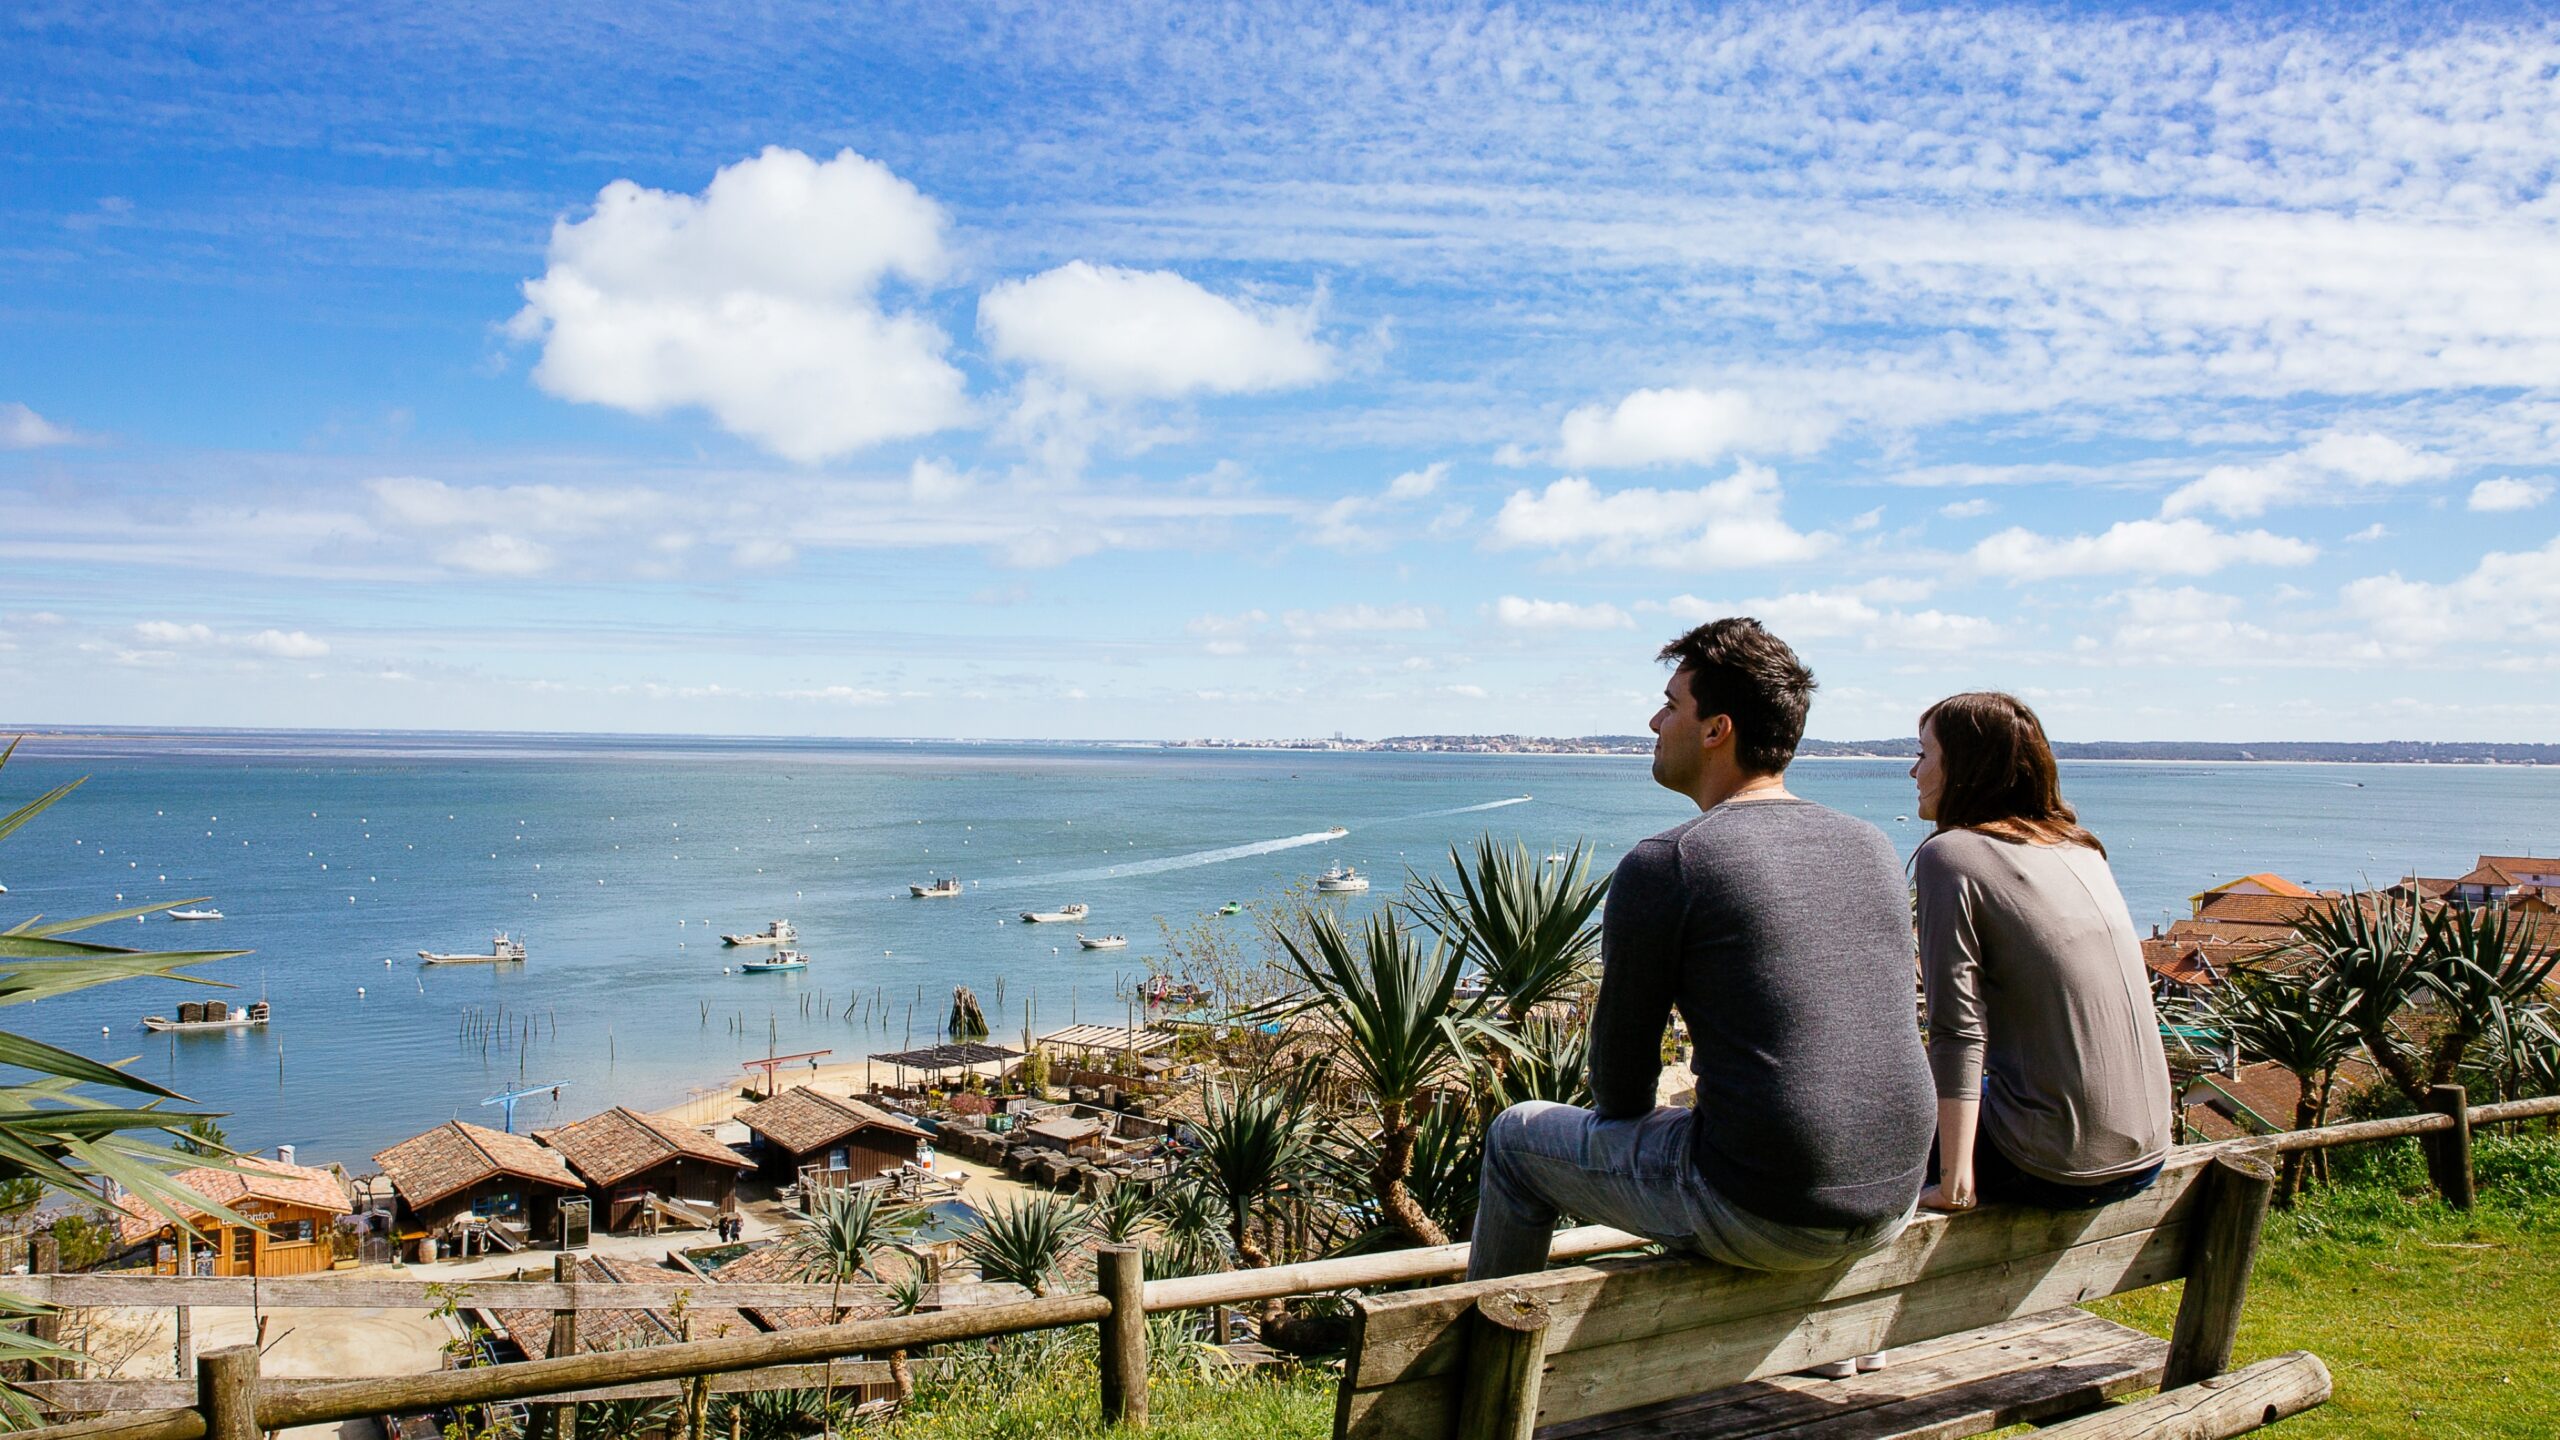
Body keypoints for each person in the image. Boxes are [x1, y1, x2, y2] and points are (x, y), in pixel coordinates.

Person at [1467, 618, 1938, 1283]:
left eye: (1671, 705)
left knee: (1516, 1137)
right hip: (1890, 1201)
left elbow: (1619, 1089)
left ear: (1718, 730)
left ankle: (1473, 1366)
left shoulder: (1671, 863)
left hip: (1765, 1212)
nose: (1655, 721)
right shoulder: (1870, 846)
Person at [1909, 692, 2173, 1213]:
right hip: (2148, 1154)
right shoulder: (2080, 847)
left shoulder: (1951, 856)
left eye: (1923, 753)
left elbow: (1957, 1028)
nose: (1914, 771)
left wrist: (1954, 1180)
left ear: (1965, 766)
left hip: (2053, 1166)